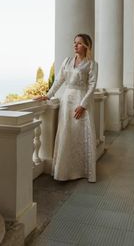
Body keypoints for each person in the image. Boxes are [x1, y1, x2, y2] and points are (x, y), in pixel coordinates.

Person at [36, 34, 98, 182]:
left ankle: (82, 170)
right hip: (66, 101)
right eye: (74, 42)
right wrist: (48, 95)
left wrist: (83, 105)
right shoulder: (67, 61)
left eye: (79, 43)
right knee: (66, 133)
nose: (75, 45)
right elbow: (58, 81)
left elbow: (92, 86)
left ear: (86, 46)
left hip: (81, 101)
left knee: (81, 134)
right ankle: (65, 171)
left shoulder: (92, 64)